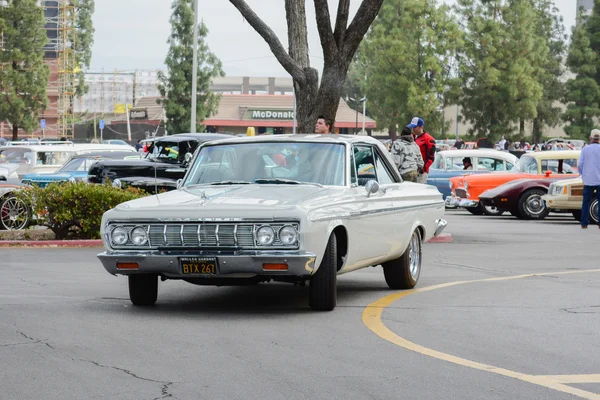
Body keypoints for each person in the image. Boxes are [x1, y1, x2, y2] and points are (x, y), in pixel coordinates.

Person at [578, 129, 600, 229]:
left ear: (591, 138)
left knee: (586, 202)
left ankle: (584, 223)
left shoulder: (585, 149)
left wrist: (582, 174)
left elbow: (580, 164)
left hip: (588, 179)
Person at [407, 117, 436, 184]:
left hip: (421, 173)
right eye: (412, 127)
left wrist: (423, 169)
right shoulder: (410, 137)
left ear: (421, 127)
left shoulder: (429, 139)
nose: (413, 129)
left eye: (415, 127)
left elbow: (431, 158)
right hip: (410, 171)